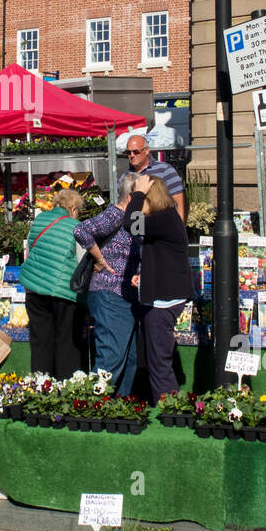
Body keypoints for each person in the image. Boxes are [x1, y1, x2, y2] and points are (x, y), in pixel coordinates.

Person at [125, 175, 194, 403]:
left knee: (159, 362)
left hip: (164, 301)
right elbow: (163, 257)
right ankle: (166, 406)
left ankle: (169, 410)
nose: (134, 201)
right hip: (160, 295)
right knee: (155, 359)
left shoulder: (164, 218)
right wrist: (144, 277)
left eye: (141, 197)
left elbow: (130, 224)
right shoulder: (164, 220)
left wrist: (138, 193)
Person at [74, 172, 141, 393]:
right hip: (109, 293)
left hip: (124, 295)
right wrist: (99, 258)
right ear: (131, 197)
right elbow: (81, 230)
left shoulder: (133, 219)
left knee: (128, 359)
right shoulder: (116, 214)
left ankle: (119, 410)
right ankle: (90, 406)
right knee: (110, 360)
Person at [20, 189, 86, 379]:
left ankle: (41, 386)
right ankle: (66, 386)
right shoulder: (76, 226)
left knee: (40, 342)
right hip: (62, 291)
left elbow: (31, 247)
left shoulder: (39, 220)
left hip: (34, 289)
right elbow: (82, 262)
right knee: (66, 341)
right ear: (73, 209)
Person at [123, 132, 187, 223]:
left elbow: (179, 202)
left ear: (147, 150)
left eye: (136, 151)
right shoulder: (125, 177)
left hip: (162, 226)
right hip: (135, 228)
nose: (132, 155)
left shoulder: (165, 170)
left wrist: (180, 231)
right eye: (128, 152)